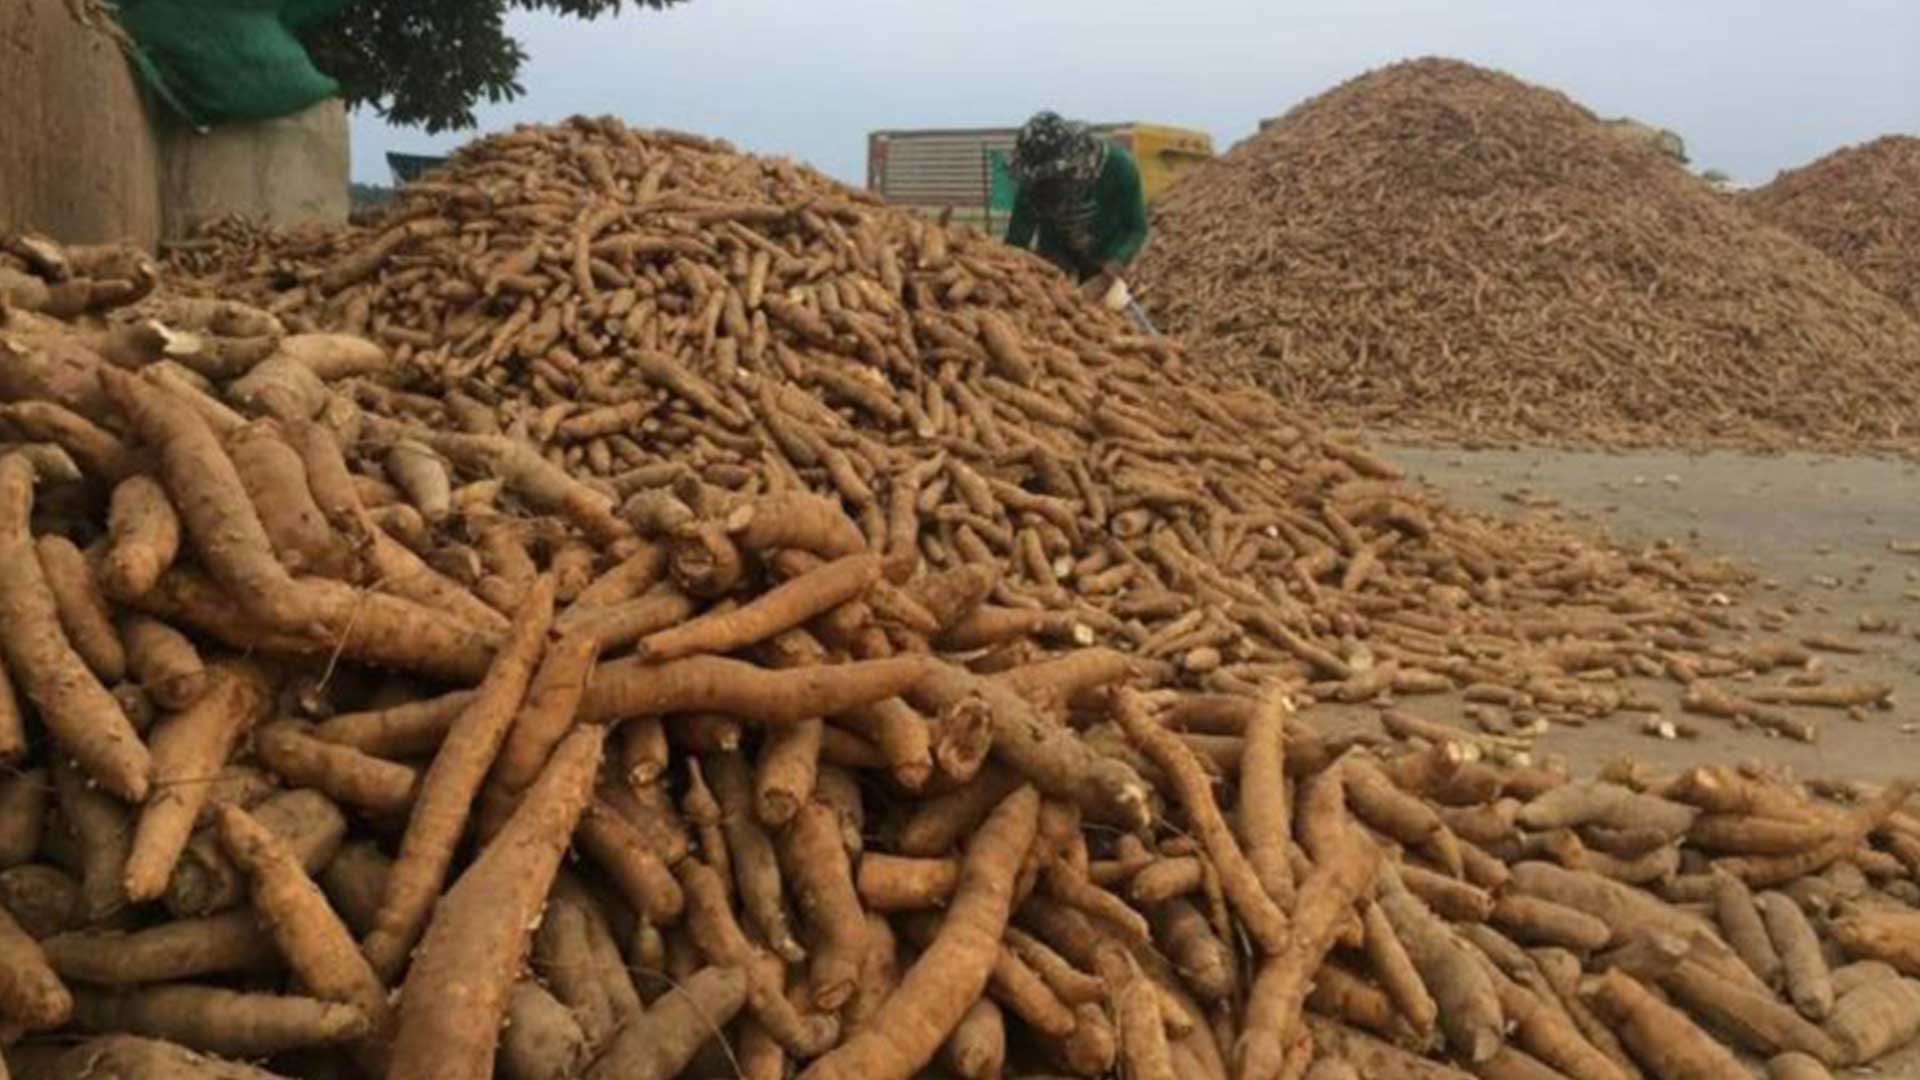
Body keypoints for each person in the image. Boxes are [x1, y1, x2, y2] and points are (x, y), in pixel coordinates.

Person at [1004, 111, 1149, 300]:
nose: (1045, 186)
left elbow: (1136, 228)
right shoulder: (1033, 181)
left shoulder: (1119, 167)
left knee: (1104, 309)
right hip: (1054, 253)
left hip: (1104, 256)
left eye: (1051, 180)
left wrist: (1116, 264)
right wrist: (1012, 274)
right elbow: (1016, 242)